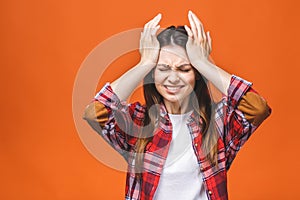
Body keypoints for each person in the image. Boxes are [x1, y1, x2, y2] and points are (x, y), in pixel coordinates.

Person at [83, 10, 271, 200]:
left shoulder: (218, 122)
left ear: (196, 73)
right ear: (153, 74)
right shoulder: (138, 123)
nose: (172, 78)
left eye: (184, 69)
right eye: (163, 69)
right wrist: (144, 63)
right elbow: (95, 113)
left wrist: (202, 62)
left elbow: (257, 108)